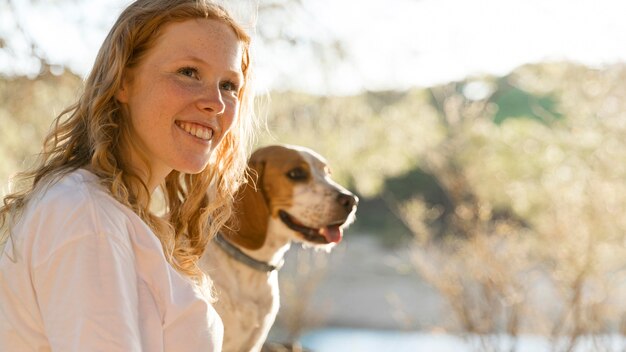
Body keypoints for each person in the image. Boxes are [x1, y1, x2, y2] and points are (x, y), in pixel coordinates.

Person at [0, 0, 256, 350]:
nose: (216, 102)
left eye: (229, 85)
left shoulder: (113, 213)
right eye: (188, 72)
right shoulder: (85, 213)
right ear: (123, 80)